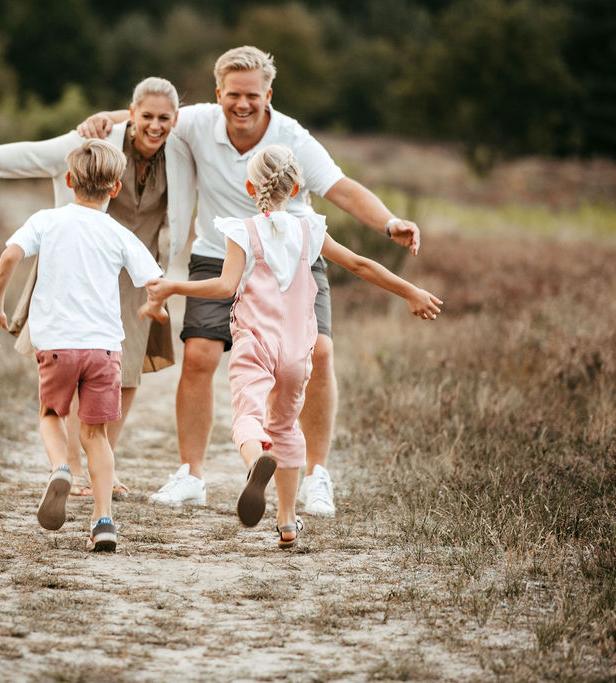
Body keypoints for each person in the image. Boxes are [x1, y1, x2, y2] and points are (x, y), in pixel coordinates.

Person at [78, 46, 422, 515]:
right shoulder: (197, 122)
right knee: (199, 356)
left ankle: (316, 476)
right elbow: (153, 114)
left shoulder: (291, 136)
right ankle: (191, 475)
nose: (242, 104)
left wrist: (388, 222)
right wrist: (107, 117)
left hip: (292, 254)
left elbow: (338, 187)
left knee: (319, 352)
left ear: (268, 94)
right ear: (219, 93)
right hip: (221, 253)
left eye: (252, 96)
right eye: (233, 95)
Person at [143, 145, 442, 548]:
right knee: (285, 425)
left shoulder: (242, 231)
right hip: (298, 350)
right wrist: (410, 291)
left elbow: (223, 287)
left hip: (255, 344)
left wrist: (175, 285)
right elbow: (360, 265)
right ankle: (287, 522)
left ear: (250, 187)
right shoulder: (311, 230)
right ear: (298, 187)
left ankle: (255, 462)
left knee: (248, 416)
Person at [0, 77, 186, 500]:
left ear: (176, 119)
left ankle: (102, 463)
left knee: (126, 372)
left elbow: (215, 121)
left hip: (138, 270)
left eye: (164, 118)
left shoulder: (184, 150)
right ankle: (74, 470)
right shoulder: (95, 144)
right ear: (130, 115)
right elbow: (31, 154)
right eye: (145, 116)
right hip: (77, 265)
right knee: (81, 363)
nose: (155, 126)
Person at [0, 139, 166, 552]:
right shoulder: (119, 232)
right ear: (115, 189)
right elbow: (155, 279)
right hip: (104, 349)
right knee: (96, 435)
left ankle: (61, 468)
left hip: (57, 346)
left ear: (68, 180)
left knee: (51, 413)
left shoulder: (46, 220)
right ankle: (103, 521)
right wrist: (156, 306)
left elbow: (10, 255)